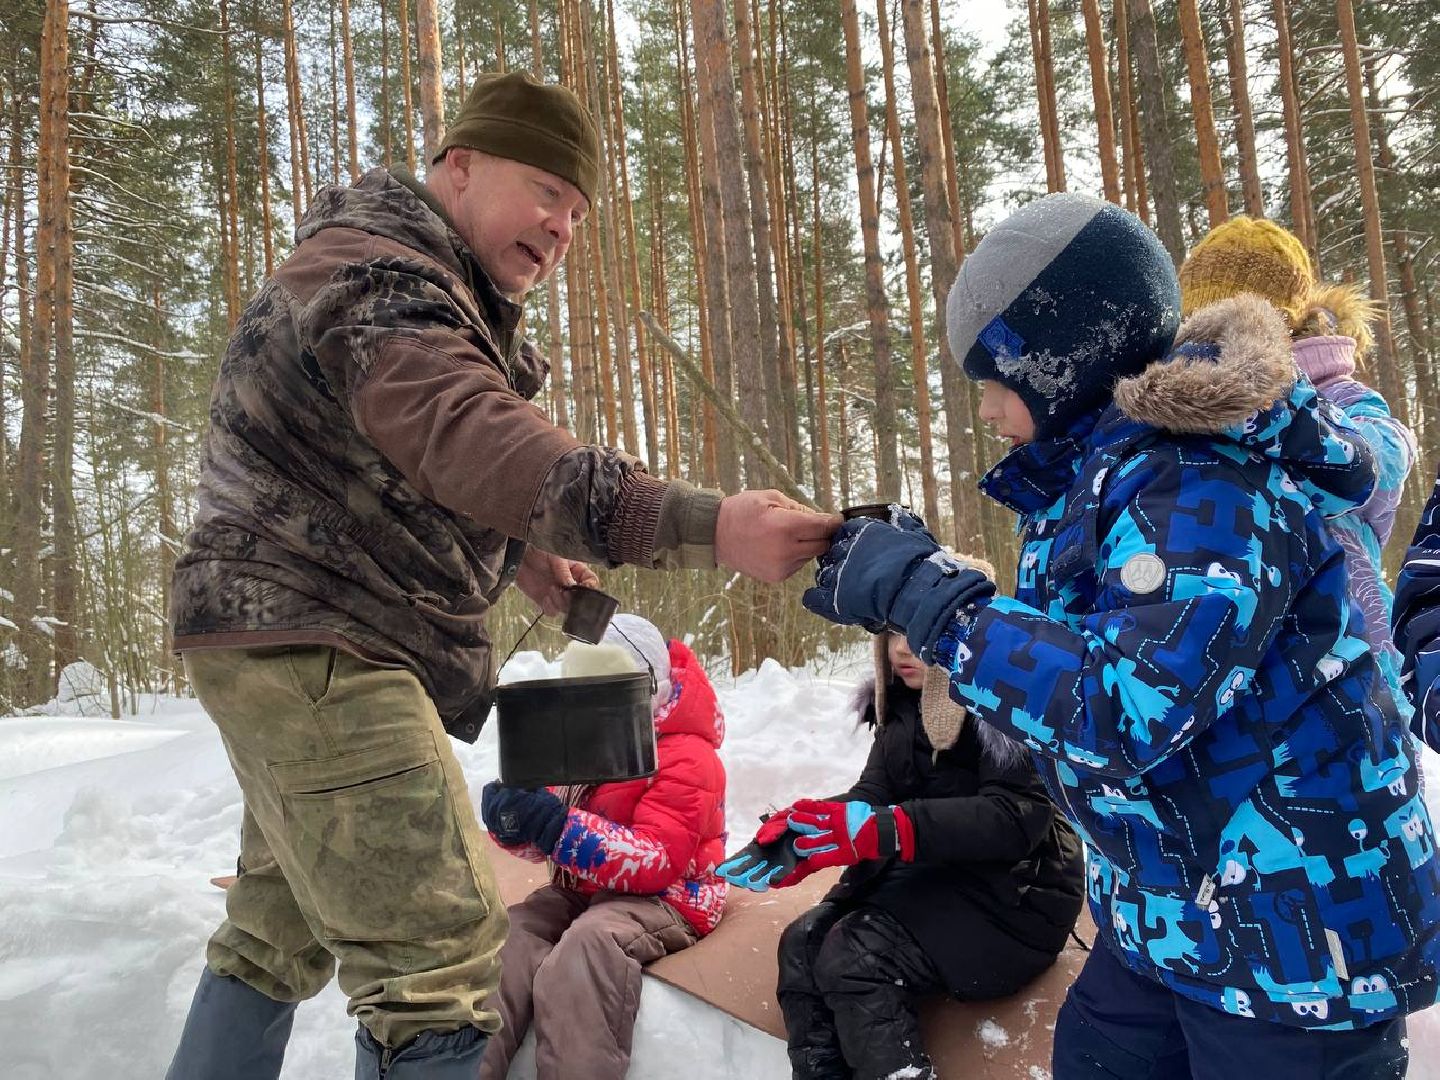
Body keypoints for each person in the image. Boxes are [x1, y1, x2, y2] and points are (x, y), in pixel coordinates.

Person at [163, 71, 837, 1080]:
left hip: (297, 632)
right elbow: (473, 436)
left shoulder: (408, 284)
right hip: (329, 644)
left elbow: (388, 458)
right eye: (545, 191)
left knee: (276, 926)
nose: (561, 227)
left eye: (577, 213)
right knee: (438, 967)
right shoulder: (380, 284)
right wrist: (710, 525)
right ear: (463, 166)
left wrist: (519, 554)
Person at [798, 193, 1440, 1078]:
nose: (984, 410)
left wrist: (936, 601)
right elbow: (1065, 678)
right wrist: (925, 592)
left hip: (1294, 938)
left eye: (993, 380)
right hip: (1170, 915)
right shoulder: (1100, 481)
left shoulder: (1200, 476)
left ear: (1058, 366)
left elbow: (1127, 705)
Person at [719, 592, 1084, 1080]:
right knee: (802, 944)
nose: (900, 649)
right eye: (892, 633)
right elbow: (874, 793)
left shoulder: (1004, 707)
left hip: (1017, 896)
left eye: (918, 630)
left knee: (855, 956)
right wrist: (807, 825)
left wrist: (889, 828)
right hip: (931, 877)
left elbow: (1015, 819)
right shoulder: (901, 704)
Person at [1180, 217, 1417, 715]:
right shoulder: (1192, 407)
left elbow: (1382, 463)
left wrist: (1268, 403)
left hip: (1351, 675)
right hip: (1244, 667)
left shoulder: (1339, 395)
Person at [476, 614, 726, 1080]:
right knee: (506, 940)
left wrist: (556, 827)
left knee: (585, 952)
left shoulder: (688, 756)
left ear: (643, 688)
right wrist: (516, 822)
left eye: (601, 693)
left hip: (669, 897)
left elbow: (657, 860)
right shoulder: (582, 744)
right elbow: (551, 837)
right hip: (584, 889)